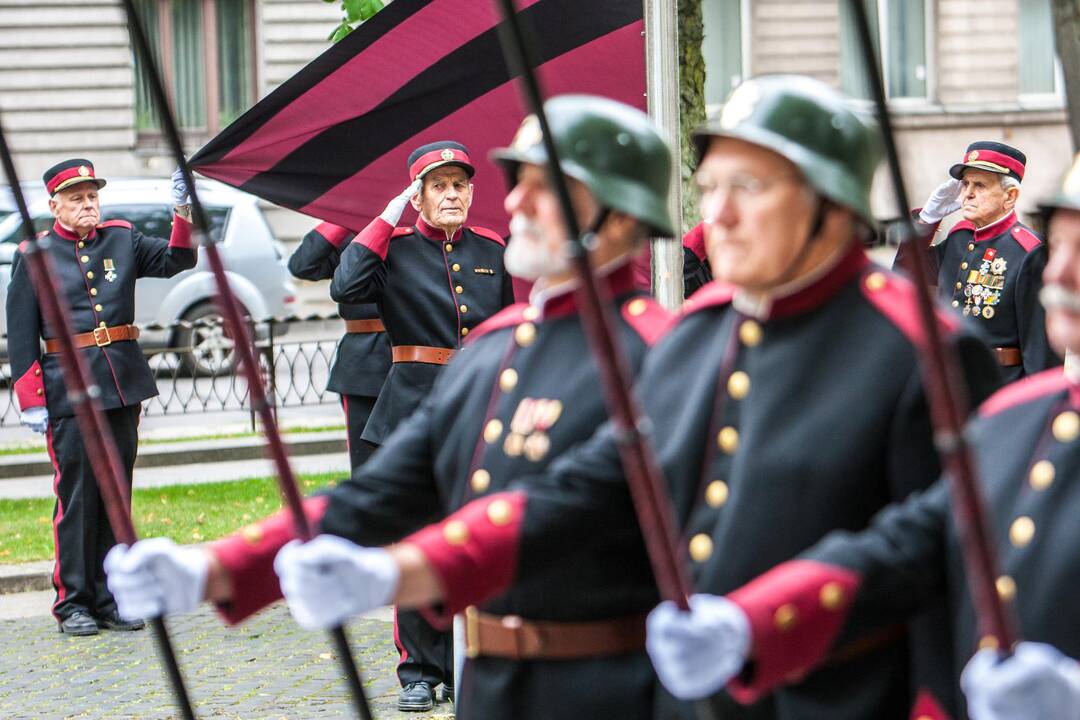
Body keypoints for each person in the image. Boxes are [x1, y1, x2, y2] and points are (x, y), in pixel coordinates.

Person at [270, 75, 1005, 720]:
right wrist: (401, 568)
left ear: (830, 203)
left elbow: (945, 558)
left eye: (745, 187)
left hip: (846, 693)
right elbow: (596, 489)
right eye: (709, 188)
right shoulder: (700, 336)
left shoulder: (919, 346)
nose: (715, 215)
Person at [105, 94, 675, 717]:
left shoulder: (656, 355)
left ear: (621, 218)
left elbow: (565, 505)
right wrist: (218, 567)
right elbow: (383, 492)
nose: (515, 203)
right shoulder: (494, 350)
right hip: (494, 690)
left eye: (548, 189)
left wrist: (397, 572)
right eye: (519, 184)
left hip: (611, 689)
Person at [644, 152, 1080, 720]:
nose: (1059, 274)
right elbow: (915, 542)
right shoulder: (1025, 419)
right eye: (1061, 246)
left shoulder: (1004, 295)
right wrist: (754, 623)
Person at [324, 140, 515, 705]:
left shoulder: (491, 248)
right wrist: (388, 217)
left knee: (475, 532)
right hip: (412, 408)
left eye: (459, 185)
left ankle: (468, 661)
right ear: (419, 195)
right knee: (414, 536)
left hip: (476, 404)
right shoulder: (395, 249)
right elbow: (345, 286)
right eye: (439, 186)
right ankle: (420, 670)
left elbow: (504, 324)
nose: (452, 195)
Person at [7, 160, 197, 636]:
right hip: (66, 388)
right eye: (77, 198)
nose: (88, 205)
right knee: (77, 497)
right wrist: (30, 396)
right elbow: (22, 332)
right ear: (55, 206)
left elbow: (178, 260)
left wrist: (182, 208)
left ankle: (113, 598)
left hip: (119, 384)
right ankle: (73, 601)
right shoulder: (35, 255)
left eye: (92, 196)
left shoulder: (122, 239)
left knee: (116, 493)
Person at [901, 140, 1058, 381]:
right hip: (953, 385)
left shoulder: (1029, 252)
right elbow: (903, 277)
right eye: (965, 184)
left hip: (1000, 388)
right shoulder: (959, 238)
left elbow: (1041, 353)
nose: (968, 194)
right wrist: (926, 220)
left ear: (1010, 196)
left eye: (980, 185)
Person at [287, 222, 391, 468]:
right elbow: (303, 265)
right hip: (366, 363)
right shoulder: (355, 234)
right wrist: (342, 216)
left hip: (421, 357)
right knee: (368, 465)